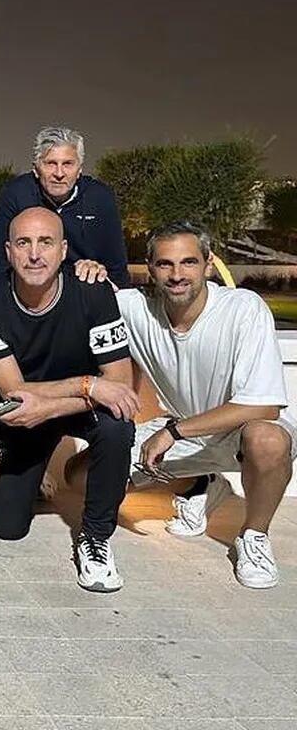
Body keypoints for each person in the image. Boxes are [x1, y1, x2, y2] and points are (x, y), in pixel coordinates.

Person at [0, 207, 137, 592]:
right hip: (29, 414)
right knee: (6, 529)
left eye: (45, 242)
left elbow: (121, 383)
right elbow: (16, 392)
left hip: (75, 410)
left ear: (63, 250)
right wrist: (89, 386)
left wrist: (56, 402)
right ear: (8, 251)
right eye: (23, 243)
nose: (34, 254)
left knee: (118, 424)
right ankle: (36, 476)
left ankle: (96, 536)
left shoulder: (94, 292)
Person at [116, 221, 294, 589]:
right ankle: (202, 486)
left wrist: (172, 432)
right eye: (165, 264)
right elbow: (74, 301)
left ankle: (254, 535)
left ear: (208, 264)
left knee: (268, 441)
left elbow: (264, 408)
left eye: (189, 263)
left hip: (242, 432)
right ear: (150, 268)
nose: (177, 275)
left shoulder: (243, 308)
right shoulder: (134, 308)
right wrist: (89, 271)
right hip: (186, 431)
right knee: (85, 477)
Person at [0, 126, 130, 288]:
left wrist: (122, 303)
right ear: (36, 169)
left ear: (79, 169)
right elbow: (1, 263)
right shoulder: (15, 194)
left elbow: (116, 265)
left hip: (84, 285)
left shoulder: (100, 197)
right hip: (30, 287)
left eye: (67, 164)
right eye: (50, 163)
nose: (59, 173)